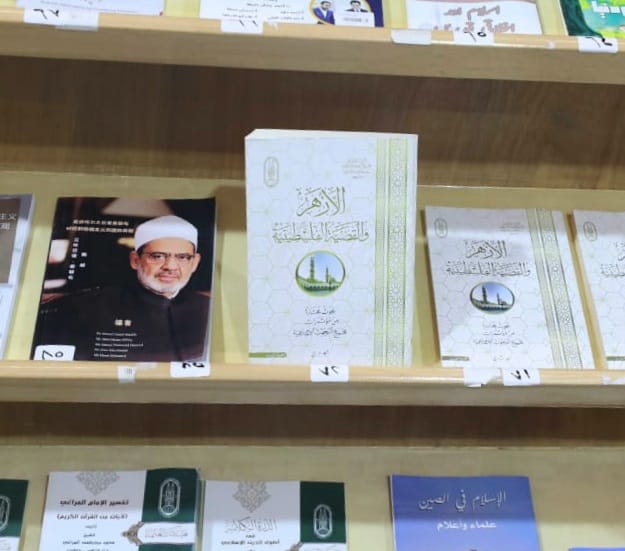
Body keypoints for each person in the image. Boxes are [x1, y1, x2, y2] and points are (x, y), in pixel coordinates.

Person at [33, 215, 211, 362]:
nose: (170, 266)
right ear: (135, 260)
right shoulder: (82, 308)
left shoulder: (208, 308)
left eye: (183, 257)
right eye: (157, 256)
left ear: (195, 263)